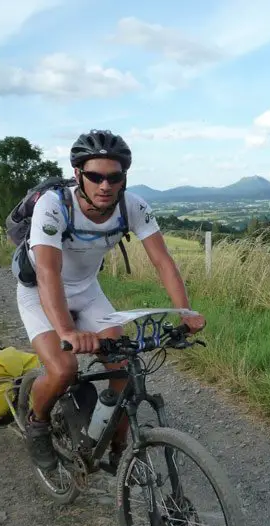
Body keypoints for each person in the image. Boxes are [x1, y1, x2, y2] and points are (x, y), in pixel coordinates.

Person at [16, 128, 205, 472]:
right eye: (95, 176)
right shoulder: (54, 205)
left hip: (87, 290)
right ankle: (37, 422)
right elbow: (47, 273)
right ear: (78, 175)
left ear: (123, 178)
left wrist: (185, 310)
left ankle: (117, 449)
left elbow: (162, 261)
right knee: (64, 368)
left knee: (123, 370)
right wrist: (67, 332)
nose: (105, 185)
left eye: (114, 177)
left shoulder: (133, 206)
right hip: (40, 292)